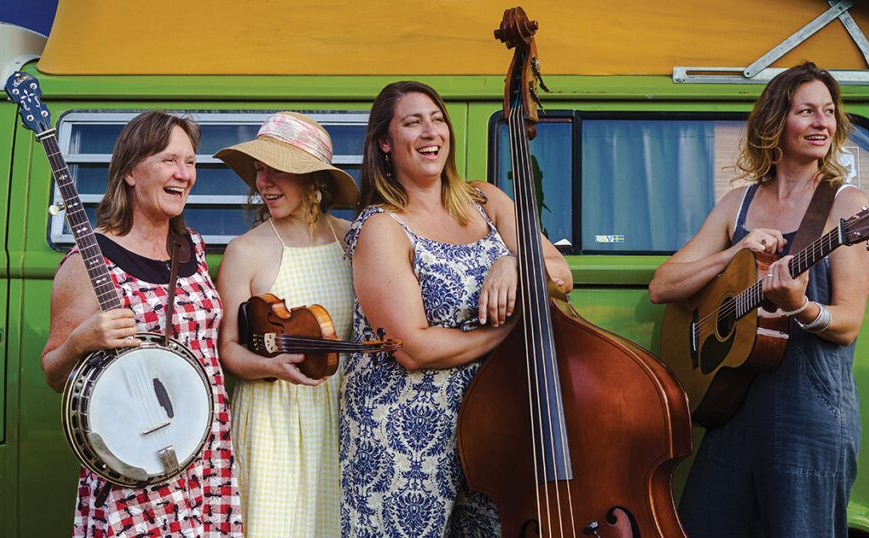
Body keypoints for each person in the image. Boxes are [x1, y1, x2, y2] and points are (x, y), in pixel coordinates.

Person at [648, 62, 869, 537]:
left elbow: (848, 323)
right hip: (730, 407)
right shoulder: (739, 204)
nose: (822, 123)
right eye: (807, 111)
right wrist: (735, 251)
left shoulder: (848, 206)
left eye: (829, 112)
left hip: (808, 413)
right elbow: (663, 285)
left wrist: (799, 306)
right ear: (775, 122)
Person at [339, 80, 574, 537]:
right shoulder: (382, 227)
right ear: (385, 143)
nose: (431, 132)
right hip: (404, 438)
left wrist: (515, 261)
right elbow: (413, 348)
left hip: (492, 424)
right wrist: (510, 330)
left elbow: (560, 274)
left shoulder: (486, 200)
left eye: (437, 119)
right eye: (412, 122)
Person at [40, 111, 243, 537]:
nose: (184, 174)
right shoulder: (88, 260)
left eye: (190, 162)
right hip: (135, 458)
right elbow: (54, 373)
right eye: (170, 160)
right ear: (131, 171)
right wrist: (82, 340)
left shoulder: (195, 248)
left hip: (205, 453)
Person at [214, 112, 358, 537]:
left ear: (314, 179)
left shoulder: (353, 240)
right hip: (270, 421)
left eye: (279, 171)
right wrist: (271, 367)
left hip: (339, 415)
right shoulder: (245, 250)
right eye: (260, 170)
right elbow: (229, 348)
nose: (265, 182)